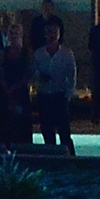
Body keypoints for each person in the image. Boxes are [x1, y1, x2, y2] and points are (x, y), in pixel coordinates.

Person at [31, 23, 78, 157]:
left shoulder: (67, 53)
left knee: (64, 131)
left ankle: (71, 159)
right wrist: (40, 78)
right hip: (44, 95)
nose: (52, 35)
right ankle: (50, 157)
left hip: (59, 95)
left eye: (54, 33)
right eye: (49, 32)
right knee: (47, 130)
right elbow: (33, 73)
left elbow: (72, 75)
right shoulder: (39, 54)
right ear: (45, 35)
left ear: (59, 35)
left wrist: (68, 94)